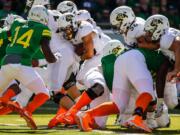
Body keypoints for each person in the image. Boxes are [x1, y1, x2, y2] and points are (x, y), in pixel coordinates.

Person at [0, 5, 57, 129]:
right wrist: (54, 59)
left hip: (6, 62)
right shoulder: (43, 29)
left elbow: (7, 34)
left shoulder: (17, 22)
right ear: (44, 17)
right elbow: (46, 51)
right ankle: (28, 110)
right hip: (23, 64)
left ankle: (5, 101)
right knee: (44, 94)